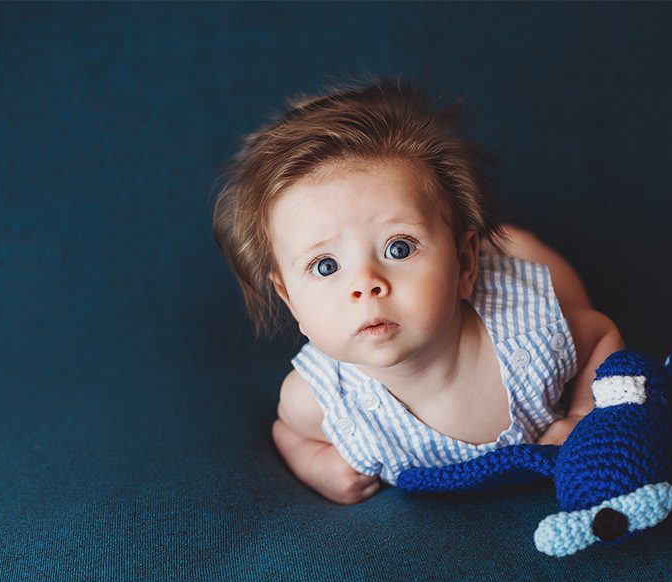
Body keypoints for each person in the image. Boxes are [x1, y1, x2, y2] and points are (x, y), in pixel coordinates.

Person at [213, 78, 624, 505]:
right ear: (289, 298)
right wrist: (317, 466)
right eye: (326, 266)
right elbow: (287, 434)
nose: (366, 284)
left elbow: (601, 335)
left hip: (513, 288)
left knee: (547, 271)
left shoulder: (536, 334)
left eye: (399, 247)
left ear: (465, 265)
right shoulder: (317, 401)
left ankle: (501, 242)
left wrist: (580, 414)